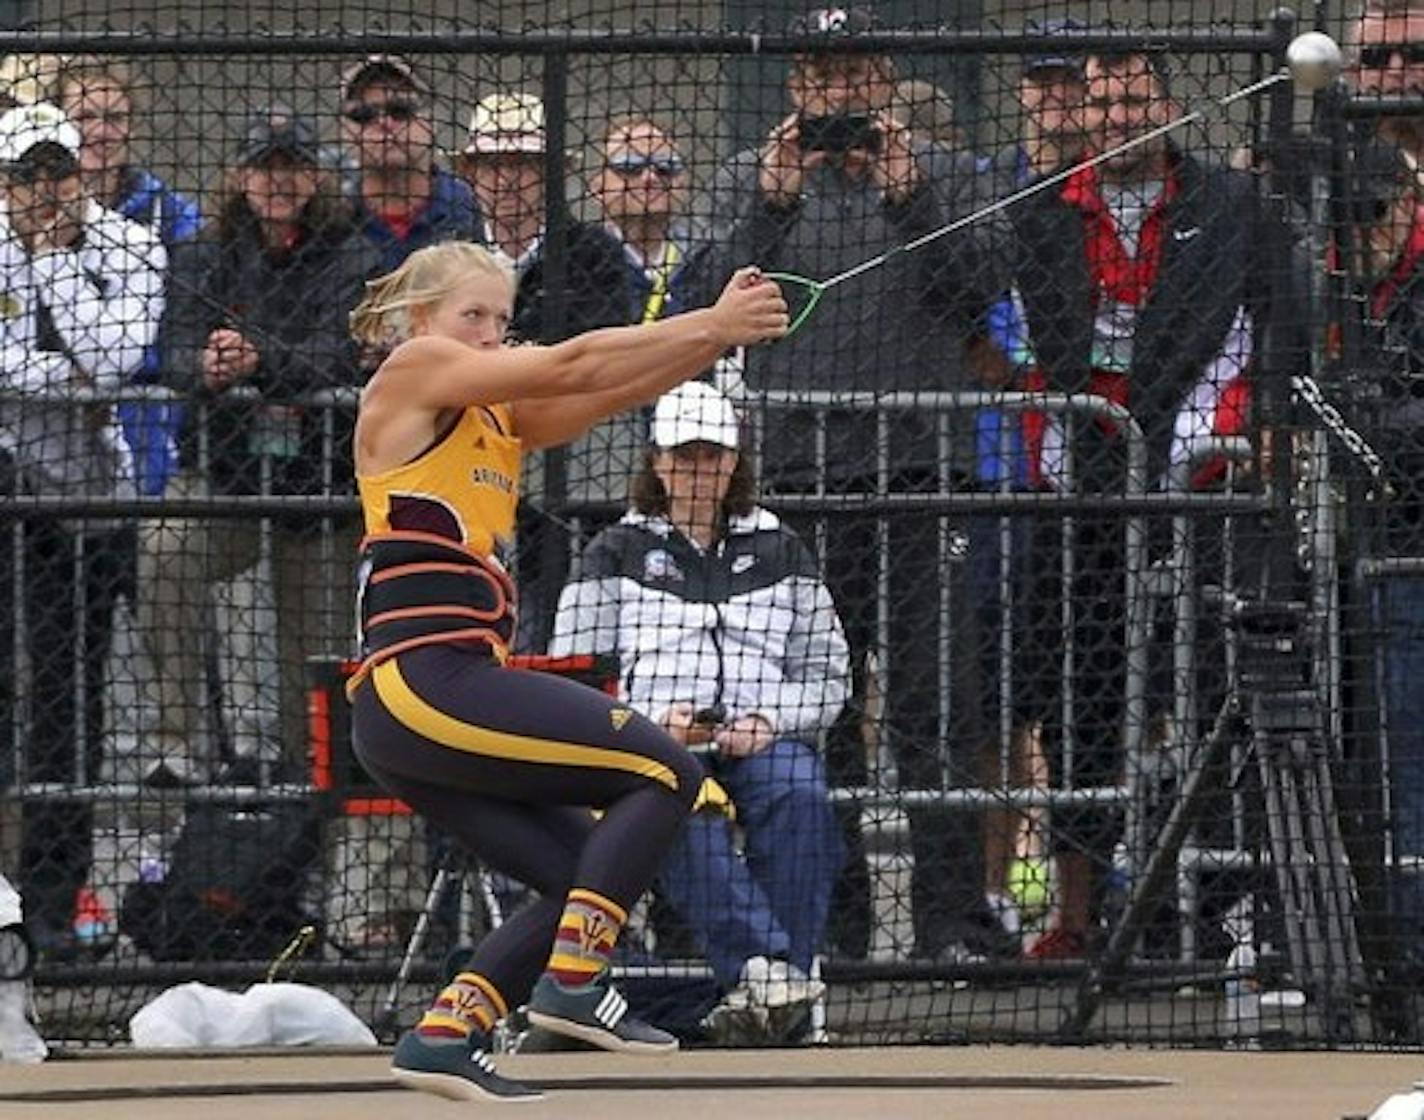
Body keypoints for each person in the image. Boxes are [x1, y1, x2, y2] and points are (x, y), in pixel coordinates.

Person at [347, 241, 786, 1099]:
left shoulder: (497, 417)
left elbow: (603, 388)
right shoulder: (412, 369)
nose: (489, 335)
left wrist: (714, 344)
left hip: (425, 704)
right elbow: (573, 357)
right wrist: (714, 320)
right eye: (472, 316)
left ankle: (447, 1034)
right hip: (424, 681)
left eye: (502, 320)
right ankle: (576, 985)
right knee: (667, 771)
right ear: (421, 319)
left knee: (581, 868)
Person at [702, 3, 1012, 964]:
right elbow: (706, 304)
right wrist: (772, 202)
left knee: (937, 707)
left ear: (882, 77)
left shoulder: (951, 174)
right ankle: (823, 925)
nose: (840, 90)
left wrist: (910, 191)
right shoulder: (749, 180)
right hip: (799, 480)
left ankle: (950, 927)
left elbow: (980, 291)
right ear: (798, 83)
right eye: (822, 74)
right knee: (810, 709)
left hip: (925, 473)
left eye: (857, 71)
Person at [1009, 48, 1290, 958]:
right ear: (1077, 116)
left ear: (1169, 107)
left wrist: (1250, 433)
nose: (1120, 117)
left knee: (1207, 695)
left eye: (1136, 100)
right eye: (1103, 103)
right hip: (1080, 491)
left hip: (1203, 486)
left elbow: (1274, 328)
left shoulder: (1233, 206)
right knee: (1079, 699)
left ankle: (1214, 912)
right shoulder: (1039, 213)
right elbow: (1007, 331)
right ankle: (1077, 914)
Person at [550, 382, 847, 1045]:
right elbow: (571, 674)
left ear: (735, 462)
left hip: (762, 738)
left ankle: (780, 990)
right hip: (654, 741)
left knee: (801, 797)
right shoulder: (613, 550)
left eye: (712, 457)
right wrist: (645, 722)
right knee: (681, 807)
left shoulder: (783, 548)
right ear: (655, 462)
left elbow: (830, 677)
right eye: (684, 458)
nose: (697, 472)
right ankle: (767, 978)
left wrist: (770, 719)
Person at [137, 106, 379, 787]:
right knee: (163, 550)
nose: (279, 180)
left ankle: (312, 777)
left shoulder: (352, 251)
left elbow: (344, 354)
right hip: (223, 471)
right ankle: (179, 743)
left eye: (293, 166)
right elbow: (173, 347)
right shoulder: (205, 251)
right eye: (265, 166)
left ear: (314, 176)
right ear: (240, 175)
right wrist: (205, 368)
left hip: (321, 482)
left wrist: (257, 359)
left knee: (319, 652)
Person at [0, 102, 166, 954]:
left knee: (72, 706)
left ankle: (53, 906)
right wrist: (50, 370)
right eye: (26, 176)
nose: (45, 191)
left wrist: (53, 261)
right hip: (8, 487)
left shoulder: (130, 243)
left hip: (94, 504)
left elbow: (111, 358)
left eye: (57, 171)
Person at [54, 54, 202, 499]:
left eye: (114, 117)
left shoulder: (170, 215)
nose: (100, 132)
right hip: (51, 415)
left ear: (132, 125)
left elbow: (183, 321)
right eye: (84, 117)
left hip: (144, 425)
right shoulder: (26, 214)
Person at [341, 54, 481, 273]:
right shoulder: (334, 220)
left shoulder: (472, 209)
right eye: (364, 114)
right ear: (346, 131)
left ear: (431, 122)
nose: (384, 123)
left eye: (400, 111)